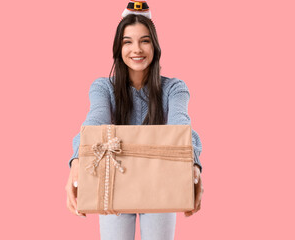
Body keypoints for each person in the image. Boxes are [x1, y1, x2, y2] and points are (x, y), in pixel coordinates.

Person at [65, 1, 203, 239]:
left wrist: (194, 164)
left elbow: (181, 126)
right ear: (118, 48)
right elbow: (95, 121)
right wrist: (77, 160)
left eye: (145, 41)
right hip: (113, 181)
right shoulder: (103, 88)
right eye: (127, 42)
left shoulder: (174, 89)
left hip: (161, 184)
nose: (136, 49)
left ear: (155, 46)